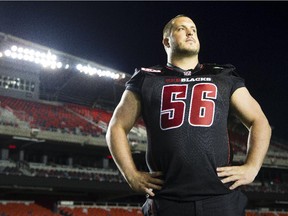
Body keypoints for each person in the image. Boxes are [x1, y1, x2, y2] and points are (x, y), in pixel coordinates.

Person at [106, 15, 271, 216]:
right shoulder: (146, 78)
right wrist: (130, 174)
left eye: (193, 28)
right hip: (167, 199)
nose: (190, 31)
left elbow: (259, 120)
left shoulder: (222, 75)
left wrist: (252, 166)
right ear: (167, 41)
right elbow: (116, 127)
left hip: (221, 197)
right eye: (181, 28)